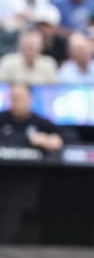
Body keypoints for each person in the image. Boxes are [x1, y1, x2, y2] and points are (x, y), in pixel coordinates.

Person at [0, 84, 63, 243]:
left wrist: (52, 139)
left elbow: (68, 136)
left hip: (26, 183)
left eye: (20, 99)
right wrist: (27, 140)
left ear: (30, 99)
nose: (16, 102)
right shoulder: (2, 119)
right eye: (13, 99)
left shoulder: (40, 122)